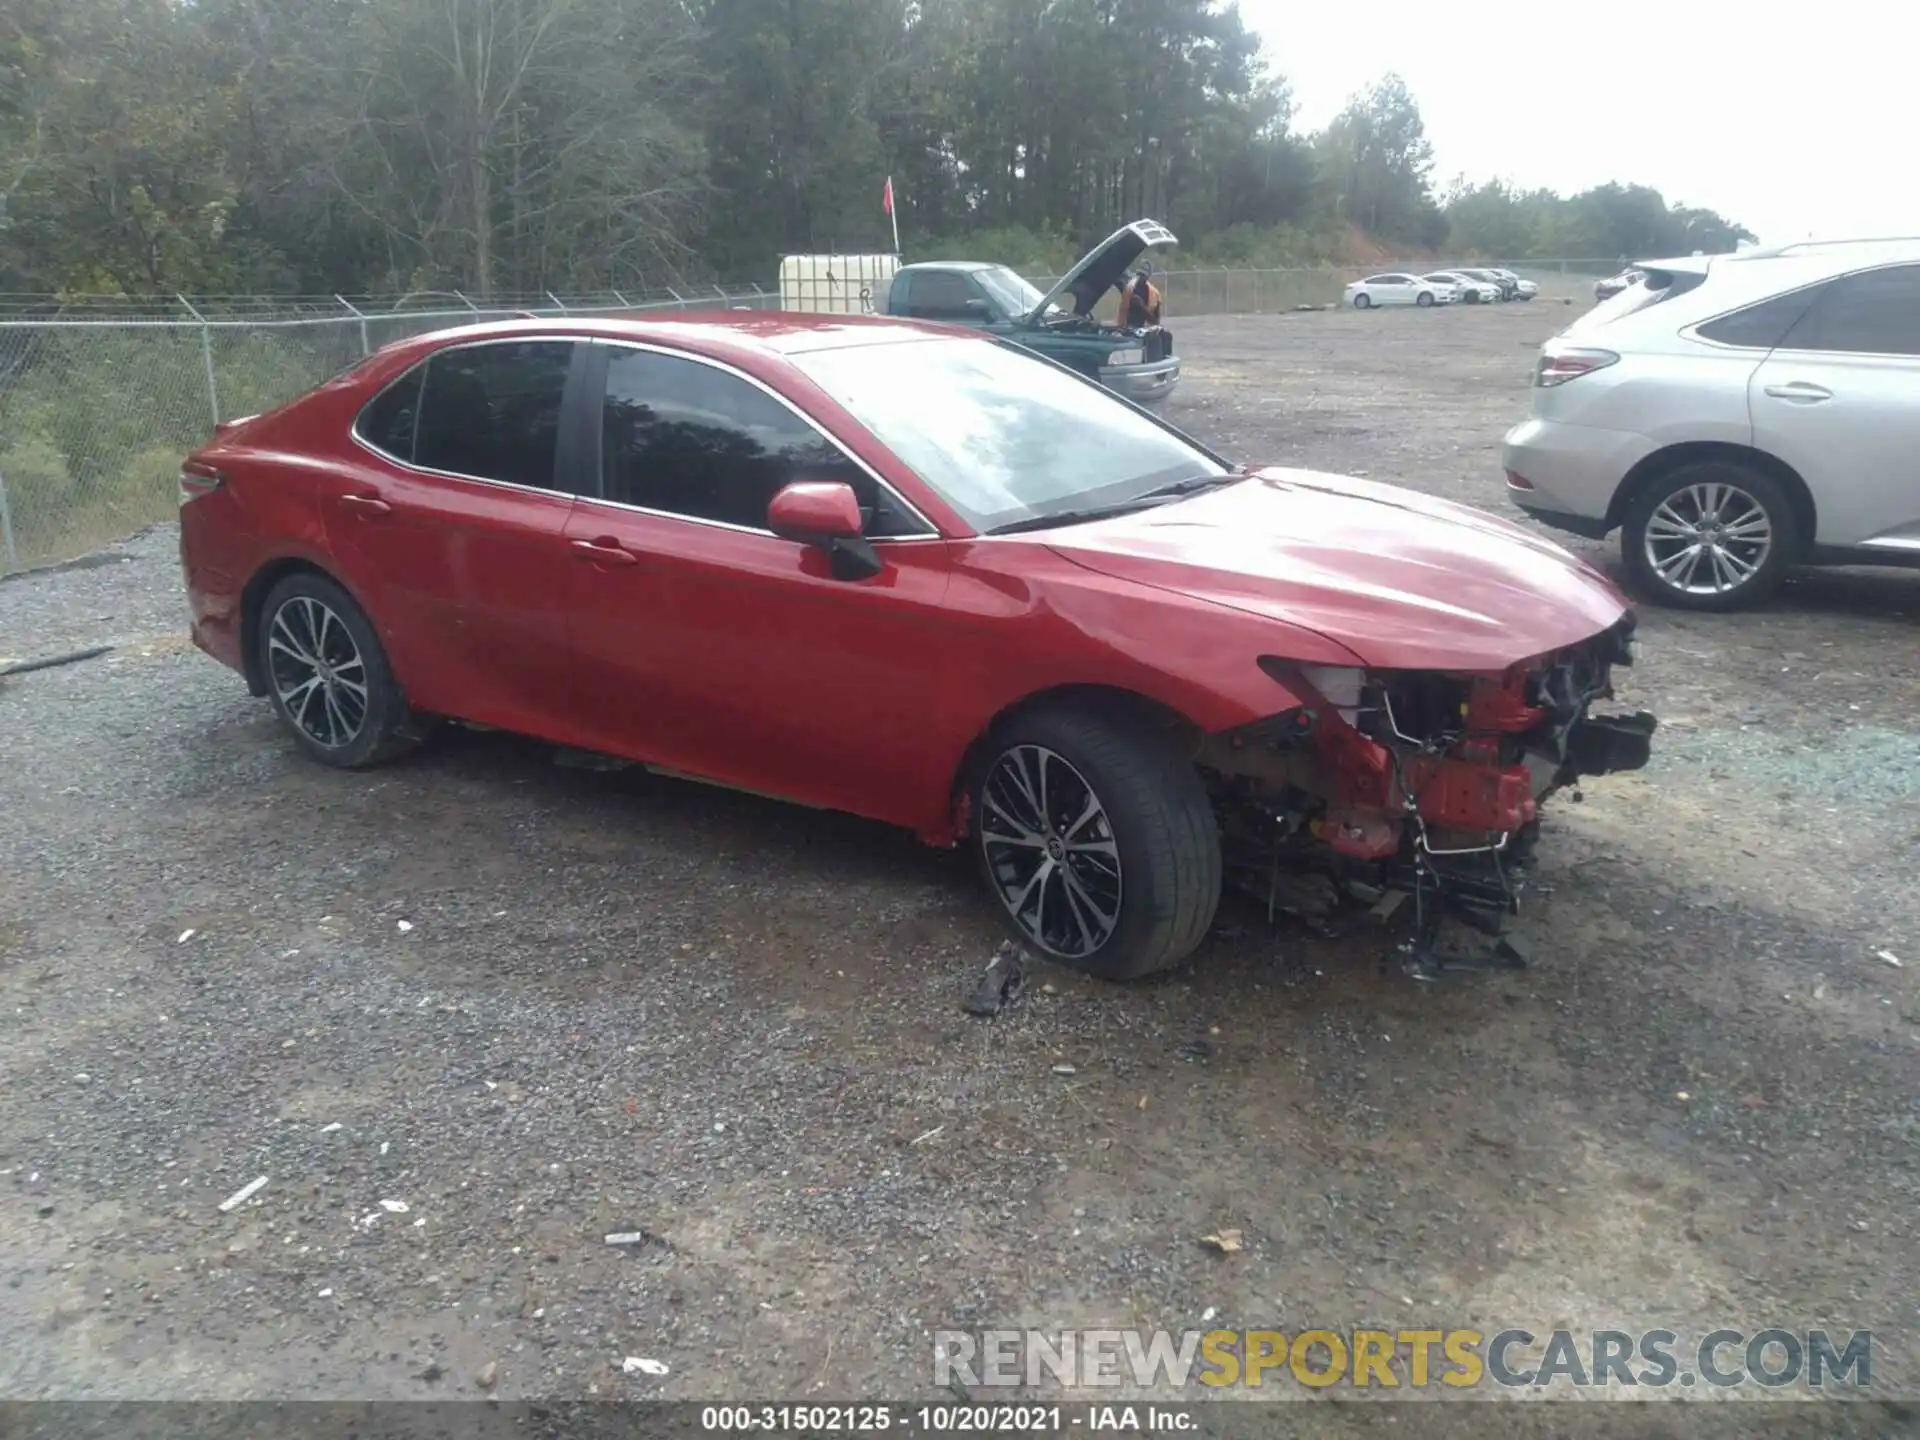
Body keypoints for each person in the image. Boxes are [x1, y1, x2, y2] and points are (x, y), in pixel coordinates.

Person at [1117, 264, 1161, 328]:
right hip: (1125, 327)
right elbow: (1119, 281)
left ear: (1148, 277)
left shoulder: (1154, 294)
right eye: (1139, 274)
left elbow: (1156, 321)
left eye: (1143, 275)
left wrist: (1142, 307)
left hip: (1144, 330)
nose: (1140, 277)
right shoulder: (1129, 288)